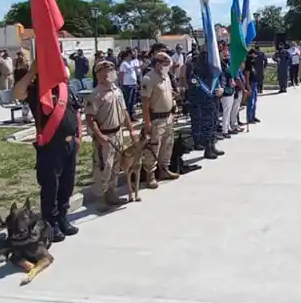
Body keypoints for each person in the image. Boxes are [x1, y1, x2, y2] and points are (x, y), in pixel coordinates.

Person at [12, 59, 83, 242]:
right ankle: (51, 224)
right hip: (51, 146)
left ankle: (62, 218)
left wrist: (78, 137)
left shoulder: (65, 89)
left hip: (70, 144)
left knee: (67, 184)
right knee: (51, 186)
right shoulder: (38, 90)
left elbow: (76, 113)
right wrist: (32, 71)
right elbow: (18, 93)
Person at [85, 60, 135, 212]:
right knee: (103, 168)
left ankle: (111, 194)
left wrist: (130, 129)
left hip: (118, 133)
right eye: (106, 70)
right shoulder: (96, 94)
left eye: (112, 69)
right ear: (99, 74)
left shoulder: (117, 91)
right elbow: (90, 117)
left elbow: (124, 111)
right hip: (105, 137)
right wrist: (99, 135)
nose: (110, 72)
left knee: (115, 166)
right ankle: (101, 198)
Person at [140, 51, 182, 181]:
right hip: (156, 118)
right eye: (165, 63)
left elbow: (168, 93)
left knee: (167, 145)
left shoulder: (166, 76)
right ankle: (150, 175)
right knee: (153, 148)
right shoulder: (149, 78)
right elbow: (145, 102)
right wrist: (147, 122)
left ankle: (164, 169)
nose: (167, 66)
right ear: (157, 63)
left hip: (168, 117)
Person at [185, 47, 224, 158]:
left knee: (213, 123)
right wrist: (208, 92)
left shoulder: (212, 68)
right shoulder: (196, 68)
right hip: (203, 101)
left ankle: (212, 145)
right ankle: (207, 148)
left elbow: (217, 80)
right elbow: (194, 84)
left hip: (213, 100)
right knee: (206, 124)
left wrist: (220, 89)